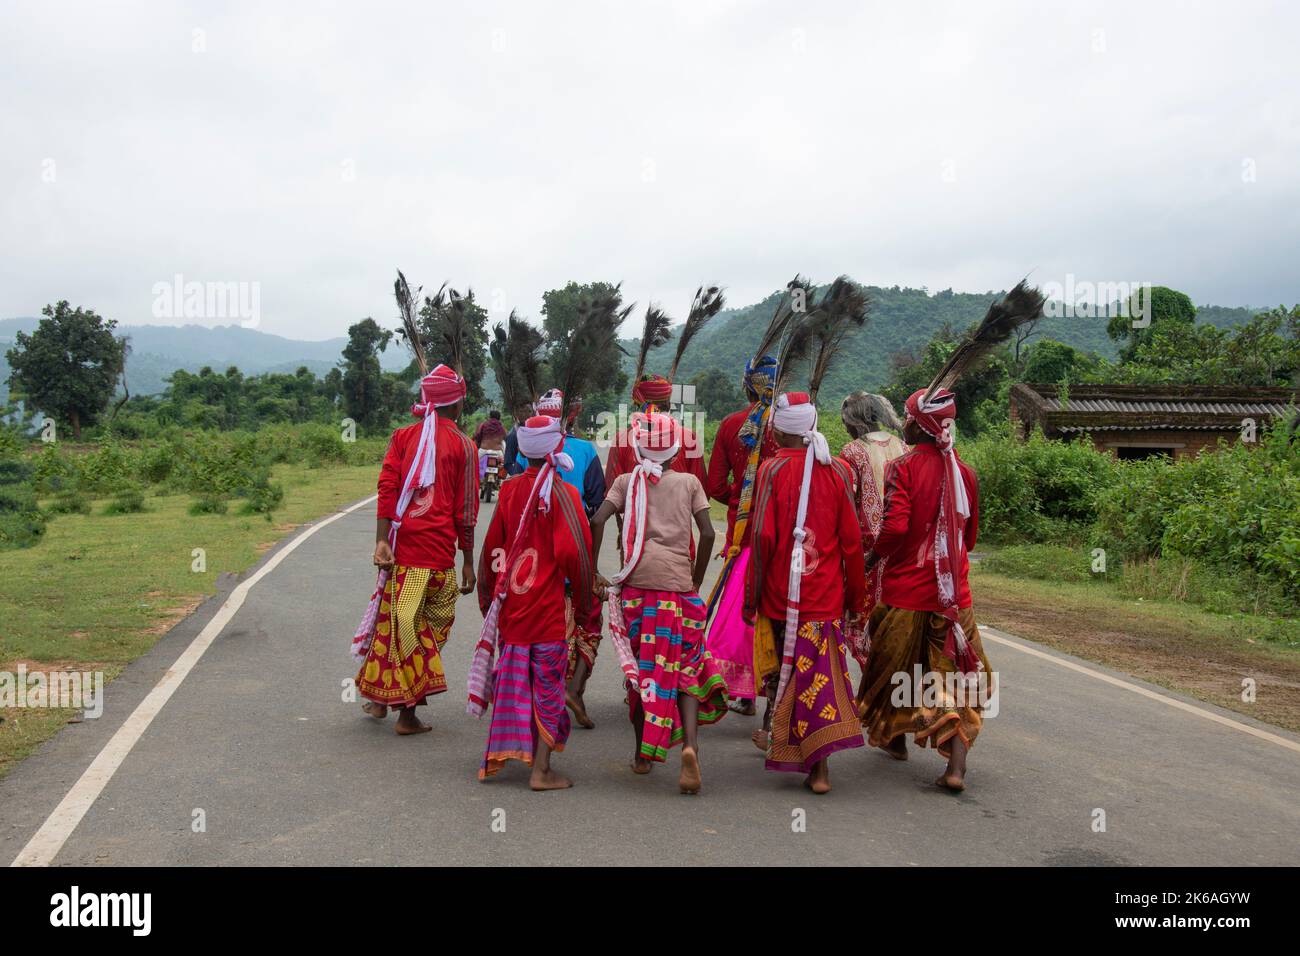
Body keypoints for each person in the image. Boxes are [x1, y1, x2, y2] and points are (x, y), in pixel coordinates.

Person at [856, 388, 992, 792]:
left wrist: (872, 558)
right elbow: (968, 539)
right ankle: (956, 765)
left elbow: (895, 527)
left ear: (923, 425)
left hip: (906, 592)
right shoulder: (965, 472)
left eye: (909, 418)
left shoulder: (904, 467)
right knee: (955, 672)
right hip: (954, 598)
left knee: (891, 667)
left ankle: (894, 740)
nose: (905, 424)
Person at [590, 412, 727, 794]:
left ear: (637, 449)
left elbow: (598, 520)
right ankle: (690, 747)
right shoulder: (689, 482)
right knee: (686, 668)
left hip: (638, 587)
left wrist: (592, 570)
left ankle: (641, 755)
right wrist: (696, 578)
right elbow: (707, 532)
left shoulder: (624, 481)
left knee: (643, 672)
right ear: (675, 450)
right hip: (678, 589)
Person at [743, 393, 865, 794]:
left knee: (786, 675)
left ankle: (795, 752)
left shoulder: (772, 470)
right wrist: (856, 600)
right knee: (818, 682)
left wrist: (751, 595)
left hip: (782, 597)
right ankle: (819, 766)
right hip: (826, 598)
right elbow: (852, 542)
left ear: (778, 429)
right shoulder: (839, 471)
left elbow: (761, 536)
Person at [351, 364, 478, 735]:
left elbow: (387, 487)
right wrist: (468, 560)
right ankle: (407, 714)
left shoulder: (402, 437)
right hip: (437, 557)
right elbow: (466, 509)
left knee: (399, 623)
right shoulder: (464, 446)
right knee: (423, 630)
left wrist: (380, 539)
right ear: (456, 406)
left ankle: (379, 696)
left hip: (402, 549)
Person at [470, 415, 595, 790]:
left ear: (522, 450)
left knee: (517, 683)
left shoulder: (509, 490)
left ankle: (512, 751)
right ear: (557, 447)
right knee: (548, 688)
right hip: (548, 613)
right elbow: (576, 555)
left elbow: (493, 548)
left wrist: (488, 597)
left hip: (513, 609)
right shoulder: (564, 495)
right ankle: (540, 770)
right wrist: (586, 607)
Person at [518, 388, 607, 729]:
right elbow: (597, 512)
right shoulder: (585, 451)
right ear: (572, 414)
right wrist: (594, 567)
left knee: (542, 630)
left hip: (533, 565)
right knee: (588, 623)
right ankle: (573, 690)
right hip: (575, 556)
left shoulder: (525, 447)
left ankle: (537, 698)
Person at [703, 355, 780, 714]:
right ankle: (771, 701)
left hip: (744, 534)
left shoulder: (731, 425)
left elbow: (716, 484)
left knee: (743, 616)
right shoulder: (791, 426)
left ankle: (744, 693)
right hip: (785, 536)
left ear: (747, 385)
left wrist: (738, 500)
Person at [837, 391, 908, 667]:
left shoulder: (852, 451)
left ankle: (873, 686)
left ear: (854, 421)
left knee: (859, 622)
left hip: (865, 552)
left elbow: (846, 505)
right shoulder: (903, 447)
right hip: (898, 550)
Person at [604, 374, 707, 489]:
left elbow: (611, 490)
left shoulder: (622, 439)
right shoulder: (688, 437)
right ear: (668, 402)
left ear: (638, 404)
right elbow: (700, 490)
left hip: (632, 506)